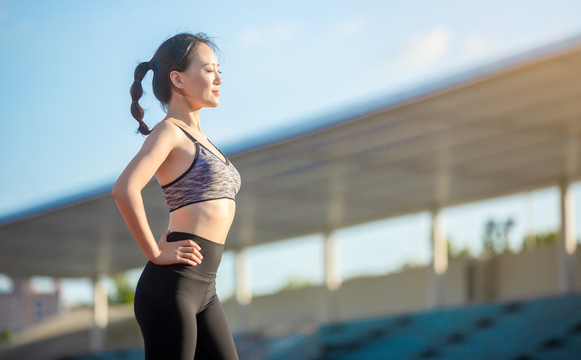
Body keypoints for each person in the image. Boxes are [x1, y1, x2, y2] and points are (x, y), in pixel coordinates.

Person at [111, 32, 240, 360]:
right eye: (210, 69)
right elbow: (125, 188)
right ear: (178, 79)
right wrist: (154, 252)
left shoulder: (205, 140)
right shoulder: (169, 131)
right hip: (172, 285)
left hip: (205, 286)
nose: (219, 79)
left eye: (219, 70)